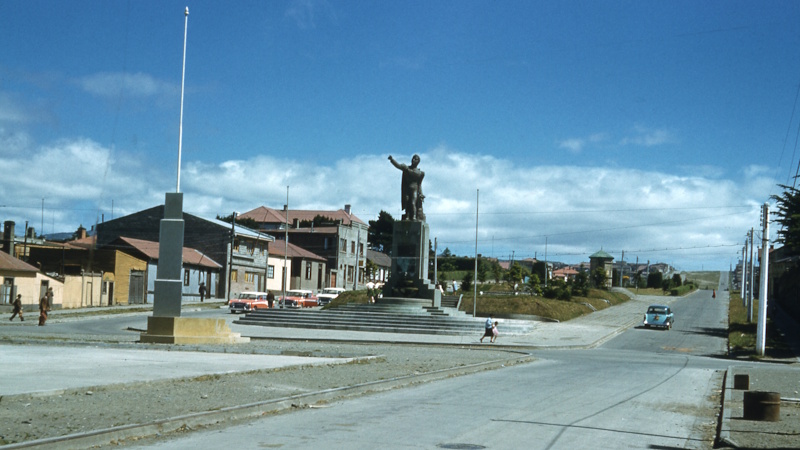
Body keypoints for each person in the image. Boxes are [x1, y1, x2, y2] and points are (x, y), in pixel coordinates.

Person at [388, 154, 426, 221]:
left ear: (418, 162)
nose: (413, 160)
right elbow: (398, 166)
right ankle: (407, 216)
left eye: (416, 159)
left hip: (415, 189)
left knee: (413, 202)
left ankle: (414, 216)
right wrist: (392, 160)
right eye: (413, 158)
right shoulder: (406, 168)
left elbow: (419, 184)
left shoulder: (420, 173)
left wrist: (421, 193)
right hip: (407, 189)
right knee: (407, 202)